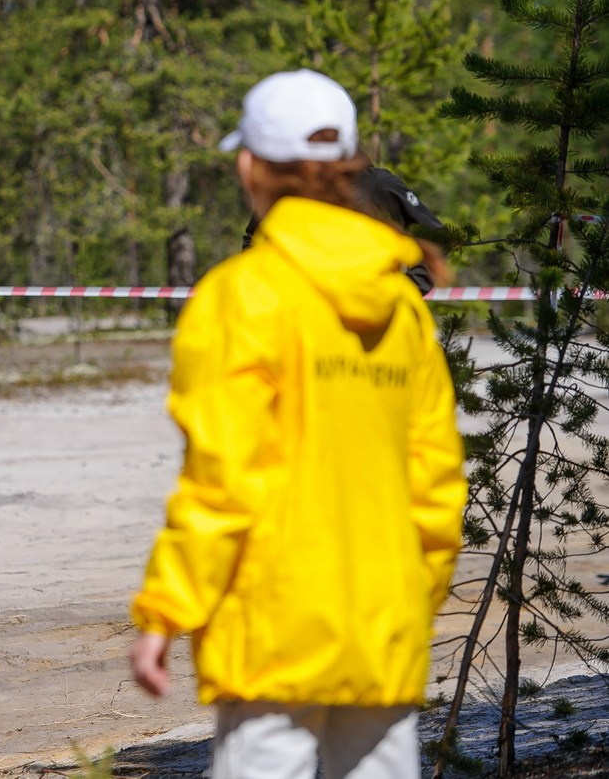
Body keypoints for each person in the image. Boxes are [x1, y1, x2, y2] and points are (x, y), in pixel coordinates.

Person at [129, 70, 466, 778]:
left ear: (249, 166)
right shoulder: (405, 310)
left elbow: (223, 481)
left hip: (271, 636)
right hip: (383, 628)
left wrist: (167, 607)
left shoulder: (239, 297)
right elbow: (436, 487)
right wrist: (410, 602)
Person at [243, 166, 445, 295]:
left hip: (369, 326)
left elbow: (437, 237)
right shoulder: (286, 187)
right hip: (300, 325)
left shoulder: (376, 184)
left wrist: (403, 290)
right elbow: (253, 239)